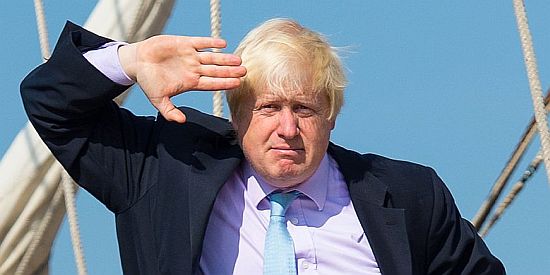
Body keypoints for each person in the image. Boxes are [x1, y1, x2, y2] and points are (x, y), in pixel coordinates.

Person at [21, 18, 505, 274]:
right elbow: (52, 104)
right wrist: (129, 59)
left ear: (333, 115)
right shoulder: (165, 168)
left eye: (306, 110)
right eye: (269, 108)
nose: (288, 128)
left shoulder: (409, 194)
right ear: (236, 113)